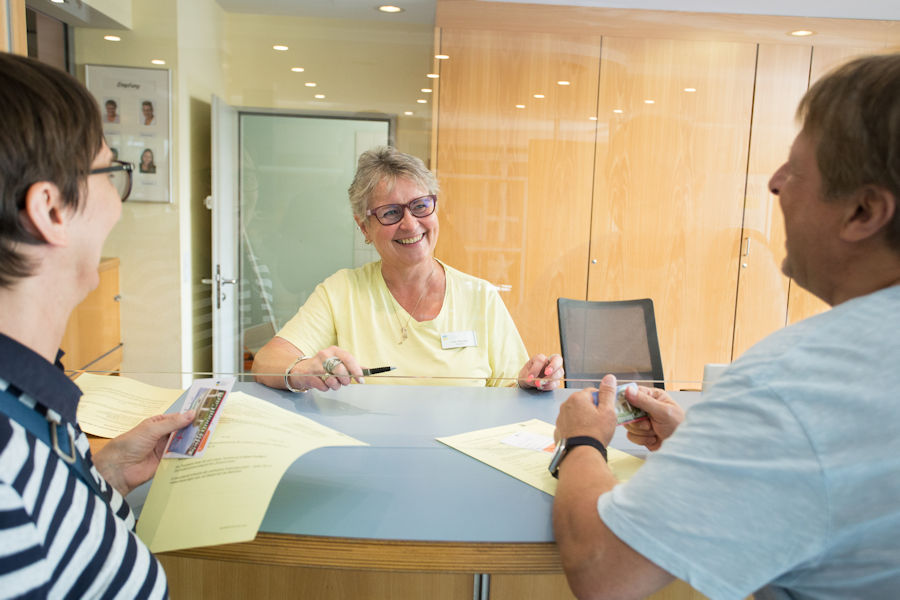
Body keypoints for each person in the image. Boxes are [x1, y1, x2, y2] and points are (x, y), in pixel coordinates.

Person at [552, 53, 900, 600]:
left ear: (863, 211)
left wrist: (581, 439)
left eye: (797, 168)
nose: (775, 183)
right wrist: (709, 441)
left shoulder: (794, 380)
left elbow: (605, 570)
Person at [0, 52, 193, 597]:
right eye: (109, 172)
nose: (118, 205)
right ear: (51, 210)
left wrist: (101, 474)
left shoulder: (34, 404)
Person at [252, 146, 564, 392]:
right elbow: (267, 360)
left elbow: (510, 388)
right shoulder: (341, 292)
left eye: (420, 206)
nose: (410, 224)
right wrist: (302, 371)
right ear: (364, 227)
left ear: (435, 207)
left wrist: (532, 381)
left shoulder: (480, 295)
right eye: (390, 212)